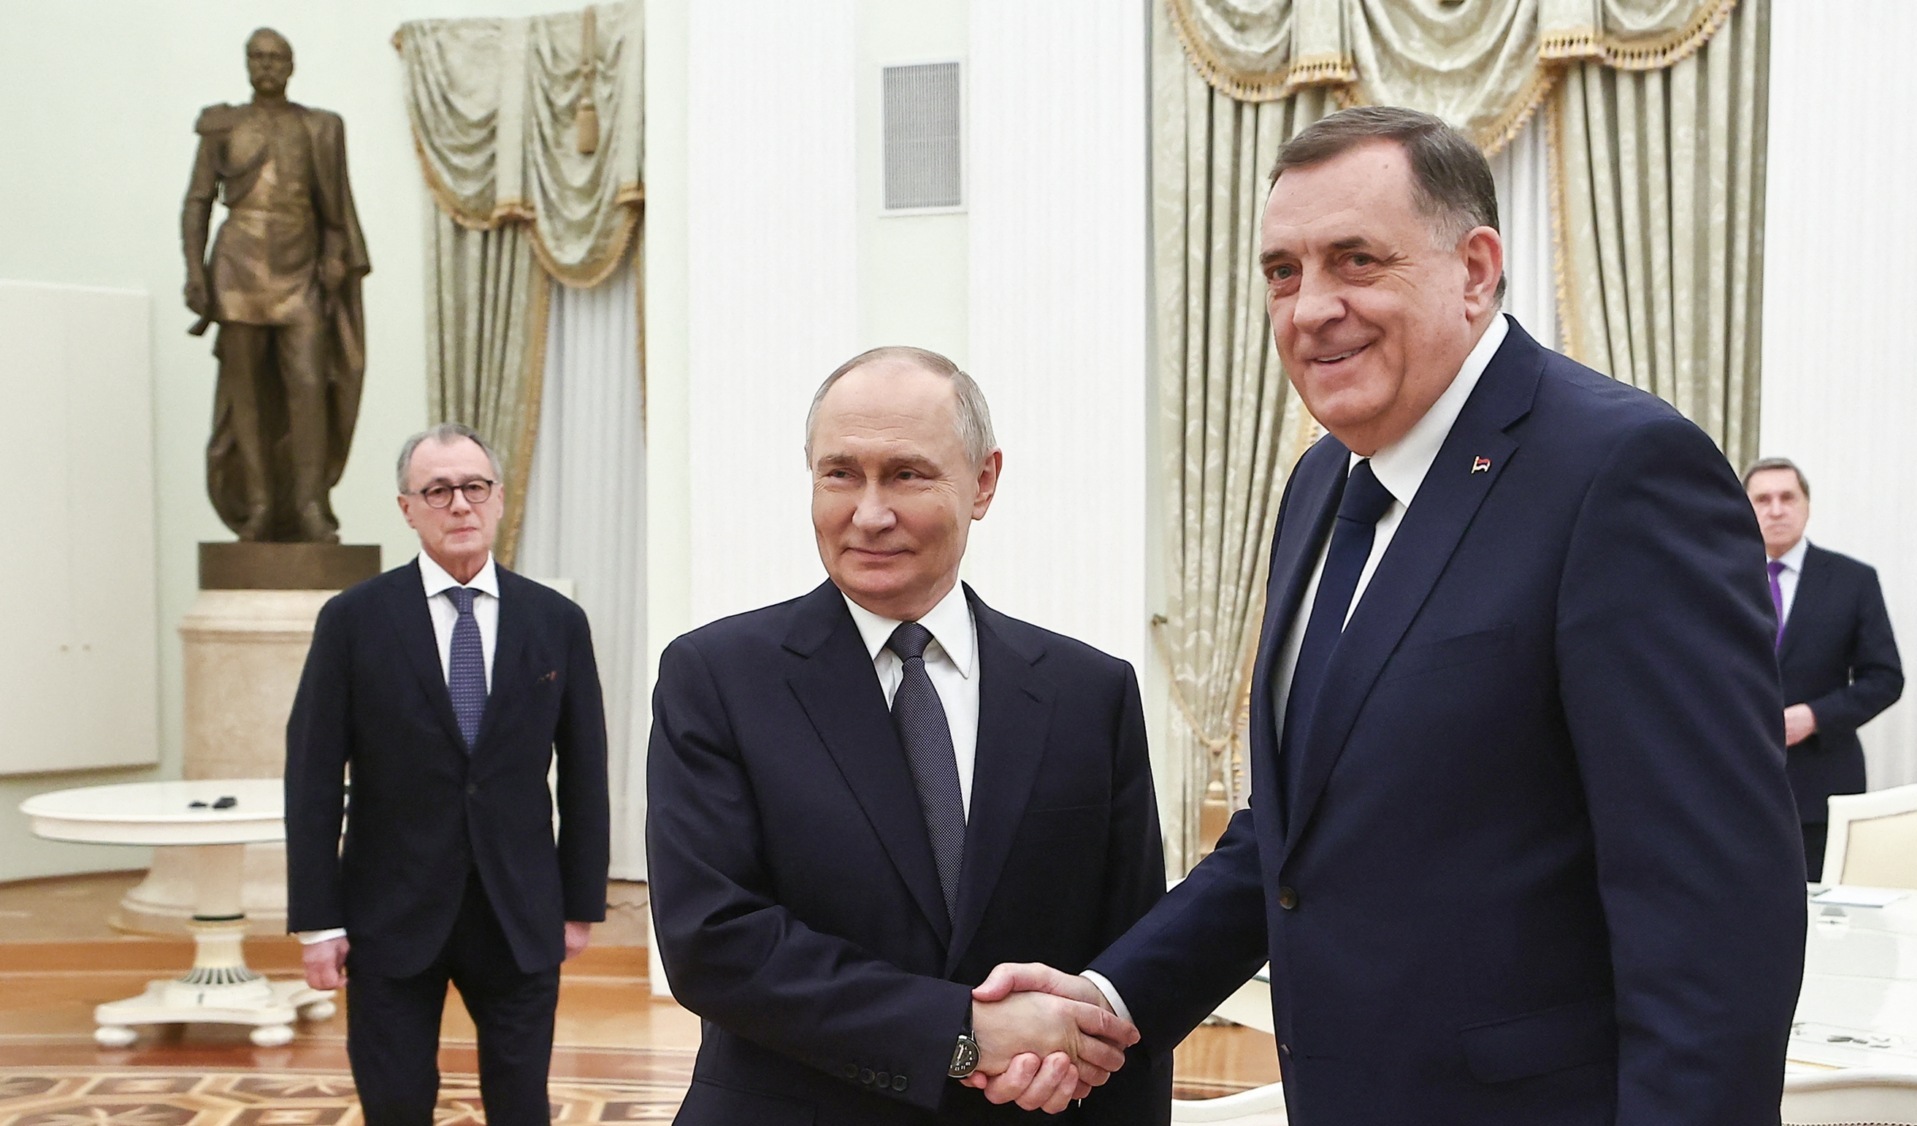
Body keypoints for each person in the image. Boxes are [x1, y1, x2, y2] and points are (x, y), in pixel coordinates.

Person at [971, 107, 1806, 1124]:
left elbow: (1712, 910)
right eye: (1283, 272)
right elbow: (1297, 834)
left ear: (1475, 269)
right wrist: (1110, 999)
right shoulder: (1320, 484)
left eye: (1355, 260)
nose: (1311, 308)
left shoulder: (1623, 473)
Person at [646, 346, 1172, 1123]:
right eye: (839, 474)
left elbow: (1126, 972)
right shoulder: (717, 678)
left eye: (905, 474)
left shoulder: (1089, 694)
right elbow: (713, 942)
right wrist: (958, 1033)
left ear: (983, 482)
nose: (868, 513)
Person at [285, 423, 609, 1124]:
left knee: (521, 1106)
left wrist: (580, 901)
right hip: (388, 914)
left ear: (499, 499)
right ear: (407, 509)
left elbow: (586, 771)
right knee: (395, 1105)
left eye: (474, 487)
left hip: (518, 911)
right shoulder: (352, 621)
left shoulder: (556, 621)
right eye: (437, 491)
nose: (459, 504)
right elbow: (312, 777)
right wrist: (317, 922)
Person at [183, 27, 370, 544]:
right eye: (258, 57)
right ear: (248, 63)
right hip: (237, 267)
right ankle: (260, 504)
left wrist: (335, 254)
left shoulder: (319, 127)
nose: (267, 66)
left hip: (299, 266)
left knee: (309, 384)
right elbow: (198, 201)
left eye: (276, 58)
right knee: (245, 393)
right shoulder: (222, 125)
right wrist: (194, 271)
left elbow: (334, 207)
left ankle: (310, 502)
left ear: (291, 66)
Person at [1745, 457, 1904, 878]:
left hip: (1820, 786)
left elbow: (1885, 677)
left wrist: (1815, 717)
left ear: (1807, 506)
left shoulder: (1854, 581)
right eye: (1762, 499)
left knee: (1819, 909)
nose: (1776, 509)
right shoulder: (1719, 581)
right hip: (1735, 782)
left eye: (1787, 497)